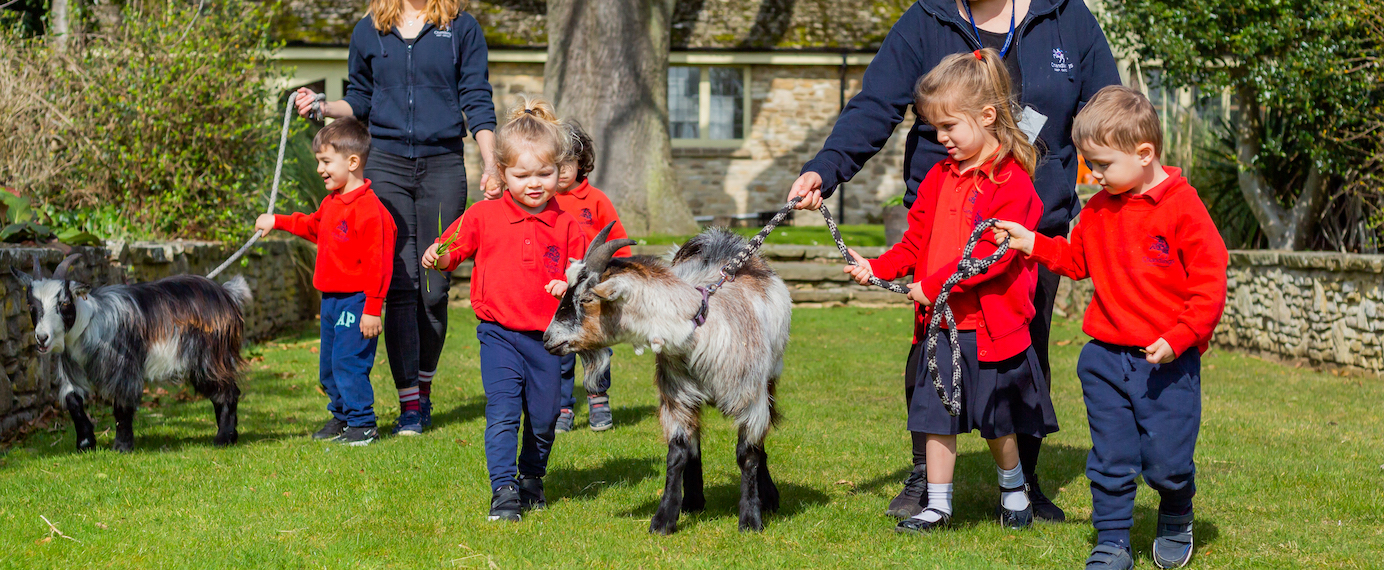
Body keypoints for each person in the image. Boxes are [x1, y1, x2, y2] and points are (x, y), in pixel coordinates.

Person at [788, 0, 1122, 521]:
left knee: (1020, 353)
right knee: (932, 352)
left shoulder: (1067, 16)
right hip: (942, 219)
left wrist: (1134, 184)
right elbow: (875, 104)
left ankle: (1022, 481)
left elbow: (1110, 109)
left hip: (1033, 229)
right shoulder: (928, 17)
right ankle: (927, 479)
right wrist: (825, 169)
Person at [993, 86, 1228, 570]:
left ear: (1144, 154)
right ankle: (1113, 542)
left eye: (1101, 164)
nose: (1093, 175)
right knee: (1111, 459)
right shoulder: (1099, 210)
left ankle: (1176, 509)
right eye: (1088, 164)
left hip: (1166, 362)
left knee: (1167, 464)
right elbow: (1076, 261)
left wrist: (1180, 337)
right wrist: (1032, 241)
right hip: (1104, 359)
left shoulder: (1183, 207)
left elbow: (1210, 285)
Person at [843, 49, 1053, 534]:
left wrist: (930, 286)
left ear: (987, 116)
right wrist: (876, 267)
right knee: (935, 416)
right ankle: (937, 504)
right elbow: (915, 243)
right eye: (933, 129)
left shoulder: (1012, 183)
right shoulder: (938, 179)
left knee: (998, 420)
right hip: (941, 325)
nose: (940, 139)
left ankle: (1014, 487)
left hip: (993, 326)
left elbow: (991, 258)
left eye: (948, 127)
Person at [291, 0, 498, 435]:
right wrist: (323, 107)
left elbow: (477, 99)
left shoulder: (460, 27)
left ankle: (423, 388)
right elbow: (360, 99)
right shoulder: (371, 29)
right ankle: (409, 405)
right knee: (401, 283)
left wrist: (493, 165)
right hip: (385, 162)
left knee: (434, 285)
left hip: (442, 162)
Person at [421, 97, 586, 522]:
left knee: (546, 416)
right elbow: (450, 253)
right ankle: (504, 490)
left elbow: (583, 274)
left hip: (548, 338)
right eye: (522, 175)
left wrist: (569, 280)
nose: (535, 183)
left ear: (559, 171)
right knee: (503, 413)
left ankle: (532, 476)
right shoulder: (483, 216)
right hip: (498, 334)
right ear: (502, 173)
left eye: (545, 174)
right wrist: (436, 256)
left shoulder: (568, 224)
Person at [255, 118, 396, 447]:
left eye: (325, 161)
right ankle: (342, 416)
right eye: (318, 161)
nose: (320, 169)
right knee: (329, 365)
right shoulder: (331, 202)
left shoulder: (369, 211)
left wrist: (373, 308)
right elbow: (313, 227)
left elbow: (379, 264)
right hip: (331, 299)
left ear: (352, 162)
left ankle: (363, 425)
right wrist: (276, 220)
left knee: (349, 362)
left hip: (357, 300)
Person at [552, 121, 629, 433]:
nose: (561, 171)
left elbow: (617, 240)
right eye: (554, 164)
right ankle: (563, 408)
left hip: (591, 292)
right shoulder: (546, 200)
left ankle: (598, 399)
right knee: (560, 350)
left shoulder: (595, 199)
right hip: (557, 291)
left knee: (595, 349)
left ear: (581, 163)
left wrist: (619, 276)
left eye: (568, 162)